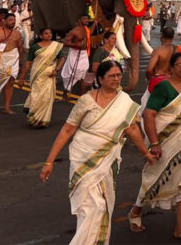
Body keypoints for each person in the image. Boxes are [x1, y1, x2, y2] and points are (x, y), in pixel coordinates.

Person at [39, 61, 153, 245]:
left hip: (107, 160)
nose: (116, 79)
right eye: (111, 76)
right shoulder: (86, 100)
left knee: (103, 205)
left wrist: (146, 154)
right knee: (92, 207)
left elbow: (132, 129)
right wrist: (49, 162)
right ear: (100, 79)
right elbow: (67, 130)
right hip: (83, 156)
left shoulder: (124, 101)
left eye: (118, 75)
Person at [129, 52, 181, 242]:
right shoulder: (164, 87)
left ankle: (180, 228)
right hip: (167, 140)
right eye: (180, 64)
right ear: (172, 68)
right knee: (154, 176)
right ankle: (136, 210)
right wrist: (155, 143)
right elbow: (149, 114)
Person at [17, 28, 65, 128]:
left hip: (50, 76)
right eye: (46, 33)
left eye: (50, 33)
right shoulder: (34, 47)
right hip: (37, 76)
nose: (49, 35)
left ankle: (42, 120)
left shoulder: (55, 46)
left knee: (46, 97)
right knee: (36, 96)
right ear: (41, 36)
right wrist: (21, 78)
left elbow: (62, 58)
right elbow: (28, 64)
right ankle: (34, 117)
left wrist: (56, 70)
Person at [0, 12, 24, 114]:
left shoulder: (17, 33)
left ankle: (7, 107)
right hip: (0, 59)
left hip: (13, 58)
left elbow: (20, 48)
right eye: (10, 20)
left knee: (10, 82)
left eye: (14, 20)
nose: (13, 22)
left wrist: (20, 63)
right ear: (4, 21)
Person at [60, 15, 91, 99]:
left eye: (87, 18)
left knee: (84, 73)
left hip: (84, 54)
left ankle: (83, 95)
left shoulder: (86, 29)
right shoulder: (75, 31)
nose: (87, 20)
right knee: (72, 74)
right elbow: (65, 42)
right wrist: (75, 45)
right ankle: (66, 92)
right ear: (79, 20)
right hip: (75, 53)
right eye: (84, 18)